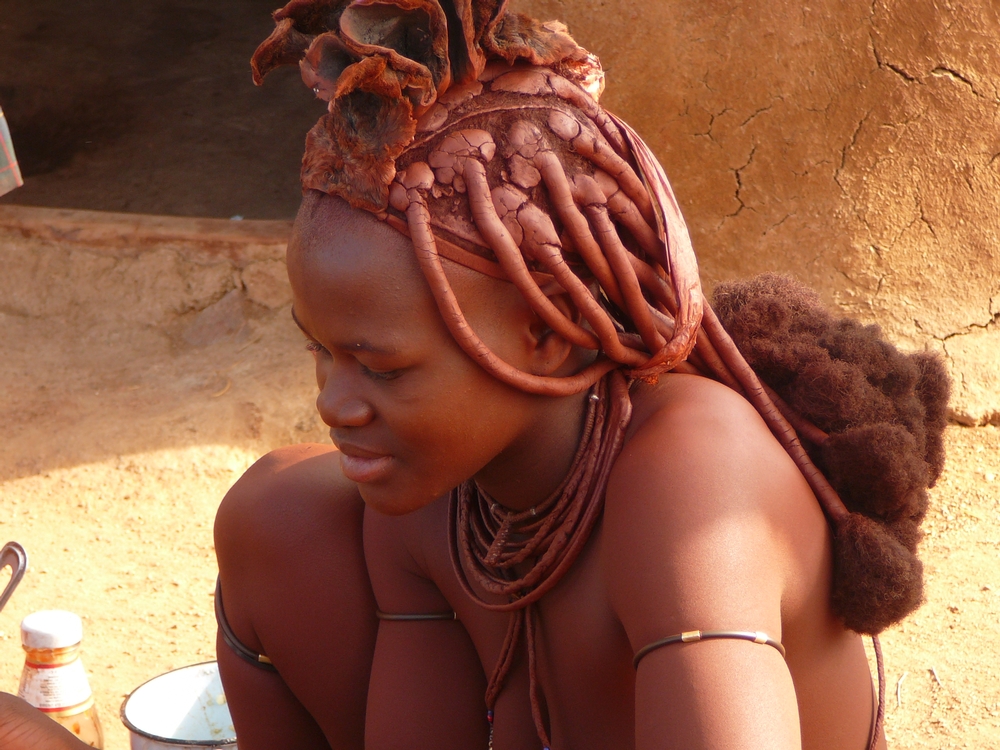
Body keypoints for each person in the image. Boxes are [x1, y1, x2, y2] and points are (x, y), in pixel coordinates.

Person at [0, 1, 948, 748]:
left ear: (546, 337)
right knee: (276, 512)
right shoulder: (441, 498)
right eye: (320, 353)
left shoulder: (690, 477)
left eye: (382, 366)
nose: (333, 403)